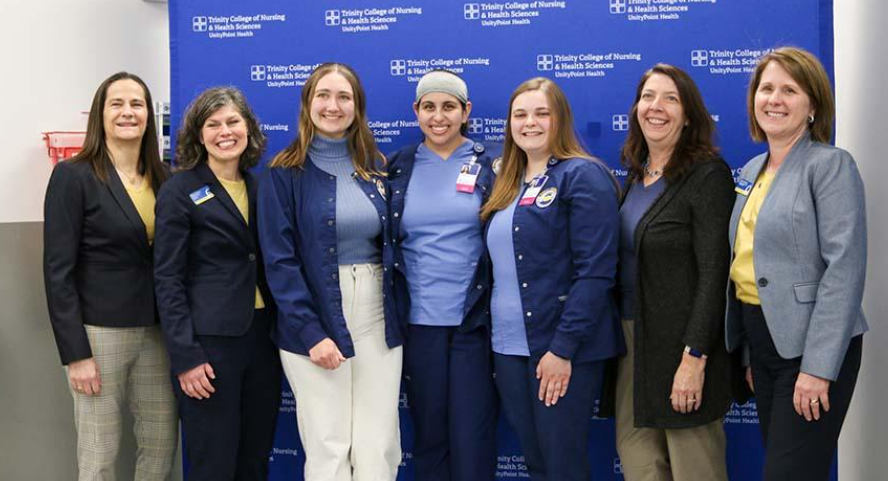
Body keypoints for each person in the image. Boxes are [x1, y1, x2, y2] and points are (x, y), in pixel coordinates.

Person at [725, 46, 867, 480]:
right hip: (763, 342)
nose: (775, 99)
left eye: (789, 89)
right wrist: (751, 351)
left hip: (812, 346)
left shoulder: (830, 166)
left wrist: (819, 368)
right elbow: (751, 266)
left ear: (812, 105)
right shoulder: (752, 169)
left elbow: (844, 269)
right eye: (766, 88)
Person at [258, 63, 403, 481]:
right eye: (323, 95)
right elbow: (279, 262)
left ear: (357, 107)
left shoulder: (374, 168)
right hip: (315, 314)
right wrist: (310, 332)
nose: (333, 106)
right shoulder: (283, 173)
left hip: (377, 311)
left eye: (344, 97)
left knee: (378, 444)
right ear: (307, 103)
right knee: (328, 443)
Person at [479, 77, 623, 481]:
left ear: (559, 118)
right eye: (520, 114)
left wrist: (563, 350)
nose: (530, 123)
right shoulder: (506, 183)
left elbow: (595, 273)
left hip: (560, 349)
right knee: (537, 461)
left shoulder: (583, 176)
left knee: (562, 464)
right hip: (508, 348)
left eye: (542, 113)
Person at [43, 72, 177, 480]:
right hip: (99, 335)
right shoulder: (74, 176)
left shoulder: (165, 177)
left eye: (137, 104)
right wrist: (76, 354)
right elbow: (57, 271)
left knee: (160, 446)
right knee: (99, 453)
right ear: (100, 114)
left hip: (157, 331)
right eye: (116, 103)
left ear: (148, 116)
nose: (127, 112)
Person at [611, 64, 735, 481]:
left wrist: (695, 357)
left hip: (684, 347)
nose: (656, 107)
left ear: (688, 114)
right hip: (632, 345)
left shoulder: (707, 175)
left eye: (670, 98)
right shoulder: (634, 175)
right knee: (639, 465)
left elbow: (715, 273)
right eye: (648, 97)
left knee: (693, 468)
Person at [153, 87, 281, 480]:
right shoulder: (180, 189)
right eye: (213, 124)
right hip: (210, 346)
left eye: (233, 122)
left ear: (248, 129)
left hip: (263, 340)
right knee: (213, 462)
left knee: (254, 458)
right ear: (198, 134)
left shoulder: (262, 186)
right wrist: (186, 356)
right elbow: (167, 277)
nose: (225, 132)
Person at [386, 70, 498, 481]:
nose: (439, 117)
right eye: (429, 107)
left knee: (472, 435)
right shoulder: (397, 167)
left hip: (473, 322)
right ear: (416, 112)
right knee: (429, 436)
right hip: (418, 326)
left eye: (449, 106)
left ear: (465, 111)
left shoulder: (493, 165)